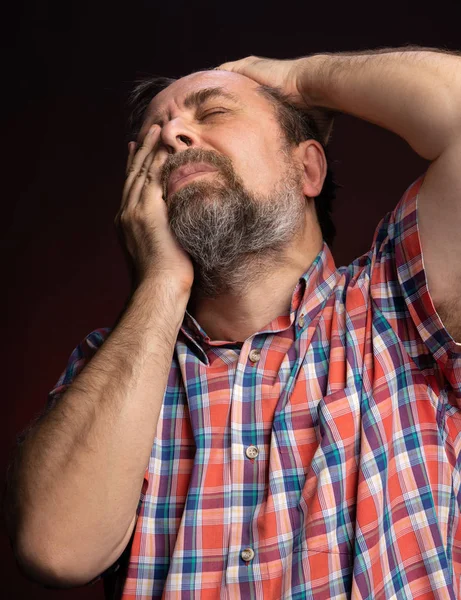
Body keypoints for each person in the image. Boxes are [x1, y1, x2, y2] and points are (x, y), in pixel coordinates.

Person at [4, 46, 461, 599]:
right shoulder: (111, 368)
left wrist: (299, 76)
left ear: (308, 166)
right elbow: (56, 550)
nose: (172, 136)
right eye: (153, 136)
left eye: (212, 112)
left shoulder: (399, 301)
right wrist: (161, 283)